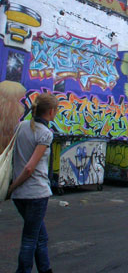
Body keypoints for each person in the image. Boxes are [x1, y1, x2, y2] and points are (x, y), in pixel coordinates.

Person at [7, 92, 59, 273]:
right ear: (51, 111)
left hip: (20, 196)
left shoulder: (20, 127)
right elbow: (30, 168)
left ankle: (45, 269)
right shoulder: (45, 134)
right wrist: (13, 186)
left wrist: (13, 188)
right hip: (36, 193)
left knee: (40, 237)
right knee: (30, 239)